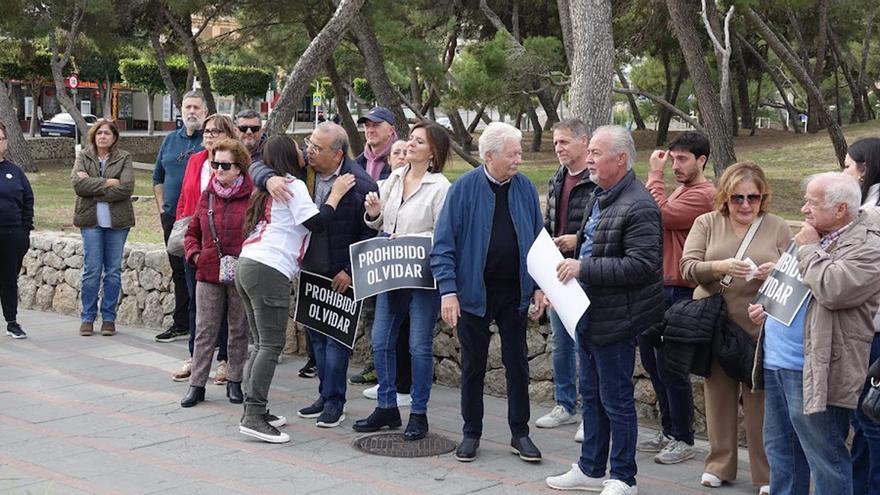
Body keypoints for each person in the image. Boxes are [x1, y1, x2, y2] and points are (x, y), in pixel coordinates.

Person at [545, 125, 663, 495]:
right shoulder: (603, 195)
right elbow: (601, 240)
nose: (590, 159)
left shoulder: (640, 204)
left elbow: (642, 265)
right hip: (590, 313)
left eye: (596, 153)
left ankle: (623, 477)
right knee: (592, 396)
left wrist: (584, 267)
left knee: (617, 400)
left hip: (617, 319)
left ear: (621, 159)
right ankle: (590, 468)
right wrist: (578, 247)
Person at [749, 172, 880, 495]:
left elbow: (834, 288)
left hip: (816, 368)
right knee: (782, 455)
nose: (804, 209)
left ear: (841, 210)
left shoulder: (870, 245)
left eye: (812, 202)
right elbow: (797, 286)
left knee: (826, 460)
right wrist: (767, 306)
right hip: (777, 361)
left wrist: (807, 249)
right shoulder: (814, 233)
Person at [431, 122, 547, 463]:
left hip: (514, 293)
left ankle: (520, 433)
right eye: (513, 154)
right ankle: (471, 433)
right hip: (473, 293)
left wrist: (540, 286)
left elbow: (540, 241)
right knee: (473, 367)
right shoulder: (463, 189)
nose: (519, 160)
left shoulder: (525, 188)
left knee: (518, 365)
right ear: (490, 155)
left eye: (520, 153)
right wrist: (448, 292)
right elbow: (443, 245)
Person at [255, 123, 377, 428]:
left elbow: (370, 232)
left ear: (337, 154)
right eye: (308, 144)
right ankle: (323, 395)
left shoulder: (359, 183)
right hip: (310, 269)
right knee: (316, 341)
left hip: (339, 275)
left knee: (335, 343)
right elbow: (257, 164)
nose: (309, 151)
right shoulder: (300, 176)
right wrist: (268, 179)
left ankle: (336, 402)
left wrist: (350, 271)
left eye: (317, 148)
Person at [237, 134, 356, 443]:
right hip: (269, 268)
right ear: (289, 157)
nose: (306, 151)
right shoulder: (293, 184)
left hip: (249, 263)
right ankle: (253, 415)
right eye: (299, 148)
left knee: (260, 342)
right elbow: (316, 223)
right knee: (270, 345)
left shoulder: (271, 185)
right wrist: (336, 194)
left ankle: (254, 409)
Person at [680, 162, 790, 495]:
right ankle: (719, 465)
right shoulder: (707, 223)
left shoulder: (778, 227)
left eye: (753, 198)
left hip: (758, 328)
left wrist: (774, 273)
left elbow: (795, 279)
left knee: (760, 404)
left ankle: (765, 473)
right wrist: (720, 266)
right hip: (716, 324)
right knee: (718, 398)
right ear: (725, 197)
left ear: (763, 197)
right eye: (737, 198)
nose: (744, 205)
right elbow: (687, 268)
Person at [353, 122, 451, 440]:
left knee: (418, 346)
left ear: (432, 152)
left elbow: (444, 234)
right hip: (389, 271)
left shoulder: (440, 187)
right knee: (381, 341)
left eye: (418, 141)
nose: (410, 144)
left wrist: (411, 239)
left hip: (422, 276)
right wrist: (373, 213)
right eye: (410, 138)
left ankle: (418, 413)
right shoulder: (393, 179)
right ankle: (387, 406)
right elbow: (378, 222)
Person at [637, 131, 717, 464]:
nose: (675, 166)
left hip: (683, 289)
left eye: (682, 159)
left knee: (673, 366)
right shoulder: (683, 191)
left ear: (702, 160)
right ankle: (669, 430)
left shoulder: (705, 194)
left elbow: (660, 216)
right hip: (661, 285)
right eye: (672, 159)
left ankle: (683, 437)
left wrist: (654, 176)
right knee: (653, 362)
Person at [179, 139, 253, 408]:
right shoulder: (207, 194)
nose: (218, 170)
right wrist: (196, 255)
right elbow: (192, 232)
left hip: (241, 271)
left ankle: (234, 382)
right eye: (214, 164)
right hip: (208, 271)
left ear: (239, 167)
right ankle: (196, 385)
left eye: (225, 165)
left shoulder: (253, 195)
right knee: (204, 330)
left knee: (238, 330)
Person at [535, 119, 595, 442]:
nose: (558, 148)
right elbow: (547, 225)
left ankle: (590, 413)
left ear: (584, 141)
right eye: (555, 143)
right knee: (560, 342)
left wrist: (578, 240)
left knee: (584, 345)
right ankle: (564, 404)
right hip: (558, 273)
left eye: (564, 142)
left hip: (586, 271)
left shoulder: (596, 179)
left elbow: (606, 227)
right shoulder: (558, 178)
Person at [172, 114, 237, 383]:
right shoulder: (196, 161)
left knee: (225, 307)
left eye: (216, 131)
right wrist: (183, 231)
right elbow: (185, 199)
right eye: (207, 131)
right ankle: (195, 357)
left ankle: (224, 359)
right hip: (197, 240)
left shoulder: (235, 163)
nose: (209, 135)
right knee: (195, 304)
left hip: (225, 244)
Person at [354, 138, 413, 403]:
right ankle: (387, 383)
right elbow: (376, 225)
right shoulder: (384, 187)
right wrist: (374, 214)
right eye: (396, 153)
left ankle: (404, 387)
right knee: (383, 333)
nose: (401, 156)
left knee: (407, 333)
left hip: (410, 269)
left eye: (405, 151)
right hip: (384, 269)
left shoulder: (428, 185)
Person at [841, 138, 880, 495]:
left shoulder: (870, 213)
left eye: (848, 166)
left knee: (869, 419)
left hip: (873, 330)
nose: (844, 173)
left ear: (865, 168)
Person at [71, 119, 135, 337]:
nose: (103, 136)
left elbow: (126, 188)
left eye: (107, 133)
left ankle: (108, 318)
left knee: (113, 272)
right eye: (99, 133)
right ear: (94, 136)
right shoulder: (84, 156)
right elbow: (78, 186)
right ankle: (87, 317)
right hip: (91, 222)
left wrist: (94, 185)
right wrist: (109, 182)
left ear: (114, 136)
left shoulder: (124, 157)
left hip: (117, 223)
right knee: (91, 271)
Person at [152, 90, 207, 343]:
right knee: (178, 270)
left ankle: (204, 327)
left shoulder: (207, 141)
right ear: (181, 110)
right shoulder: (170, 140)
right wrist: (163, 206)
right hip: (173, 217)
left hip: (201, 219)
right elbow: (157, 177)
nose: (192, 112)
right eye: (188, 107)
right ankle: (181, 323)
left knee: (199, 271)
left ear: (204, 112)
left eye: (196, 107)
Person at [0, 121, 33, 339]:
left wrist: (24, 230)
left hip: (12, 235)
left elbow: (28, 200)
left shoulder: (15, 171)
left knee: (9, 280)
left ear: (5, 142)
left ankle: (12, 322)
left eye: (0, 139)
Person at [355, 106, 397, 181]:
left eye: (376, 125)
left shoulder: (402, 160)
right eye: (367, 126)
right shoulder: (356, 165)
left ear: (391, 130)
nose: (370, 130)